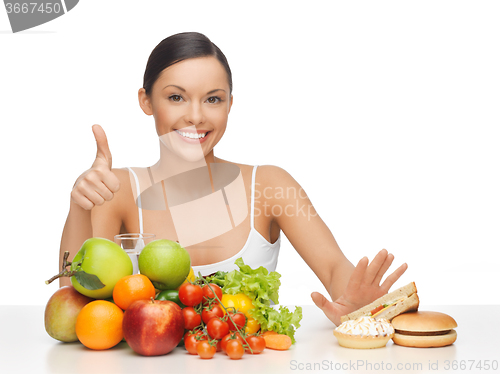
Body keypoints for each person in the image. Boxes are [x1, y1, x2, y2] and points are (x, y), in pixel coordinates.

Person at [59, 32, 407, 326]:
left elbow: (334, 271)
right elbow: (74, 304)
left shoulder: (270, 185)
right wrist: (79, 206)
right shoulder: (116, 191)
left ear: (229, 105)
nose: (195, 116)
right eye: (176, 97)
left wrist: (364, 304)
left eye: (213, 99)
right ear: (146, 101)